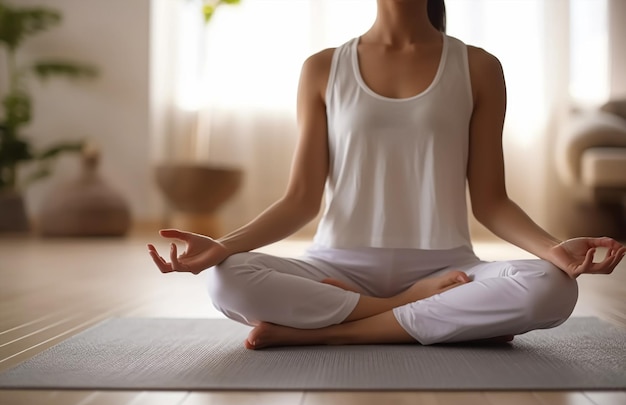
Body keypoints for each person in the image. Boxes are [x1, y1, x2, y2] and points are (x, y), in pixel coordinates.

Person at [148, 0, 625, 350]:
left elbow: (491, 201)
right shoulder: (322, 68)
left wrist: (553, 251)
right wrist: (225, 246)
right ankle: (410, 313)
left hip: (448, 269)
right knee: (226, 279)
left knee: (554, 287)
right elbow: (300, 199)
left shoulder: (479, 67)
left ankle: (335, 335)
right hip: (336, 269)